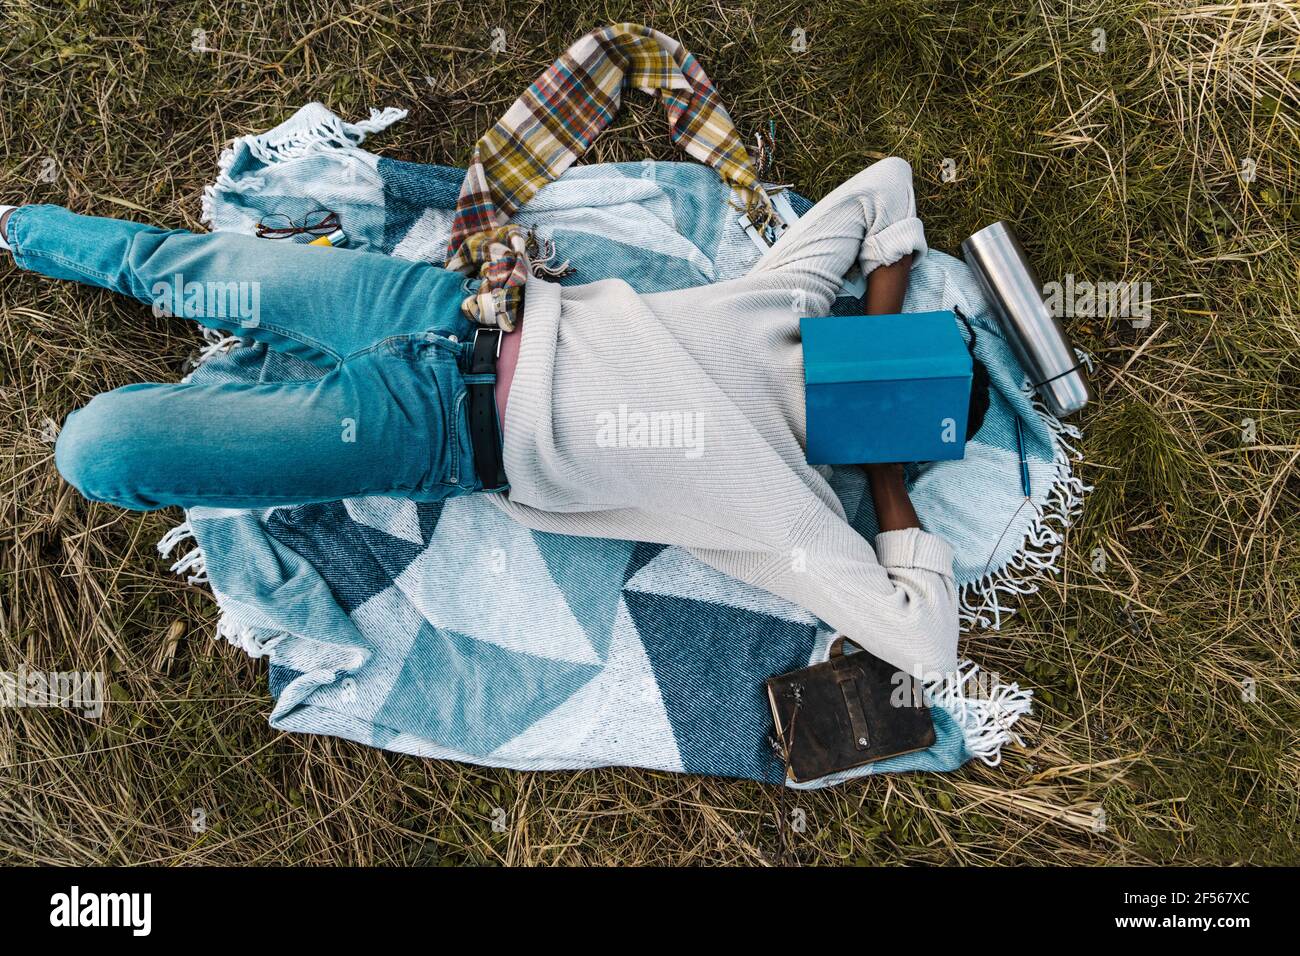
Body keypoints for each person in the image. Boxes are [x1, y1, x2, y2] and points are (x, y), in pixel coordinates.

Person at [0, 157, 960, 677]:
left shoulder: (783, 510)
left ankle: (230, 406)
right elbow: (888, 183)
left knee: (101, 446)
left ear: (878, 445)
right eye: (889, 352)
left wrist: (877, 490)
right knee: (190, 271)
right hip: (433, 308)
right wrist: (878, 317)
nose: (867, 369)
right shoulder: (785, 303)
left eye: (884, 389)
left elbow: (924, 642)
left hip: (429, 432)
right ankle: (16, 226)